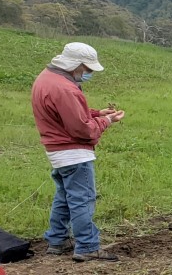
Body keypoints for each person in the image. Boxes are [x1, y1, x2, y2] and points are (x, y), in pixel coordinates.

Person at [30, 42, 125, 262]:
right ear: (77, 65)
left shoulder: (47, 78)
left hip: (57, 151)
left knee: (64, 197)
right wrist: (106, 120)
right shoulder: (65, 88)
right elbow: (82, 129)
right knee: (83, 199)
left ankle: (57, 240)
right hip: (73, 153)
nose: (89, 73)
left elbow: (68, 114)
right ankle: (87, 246)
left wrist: (96, 113)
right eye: (88, 69)